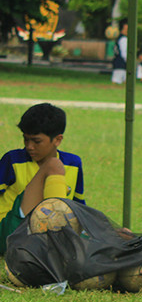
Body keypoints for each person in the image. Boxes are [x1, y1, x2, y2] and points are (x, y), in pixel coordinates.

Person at [0, 103, 85, 255]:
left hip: (40, 238)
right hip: (10, 233)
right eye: (26, 140)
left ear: (57, 140)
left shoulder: (74, 164)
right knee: (53, 165)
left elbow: (78, 208)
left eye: (36, 141)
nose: (29, 146)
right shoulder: (12, 160)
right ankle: (57, 242)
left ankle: (56, 243)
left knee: (118, 236)